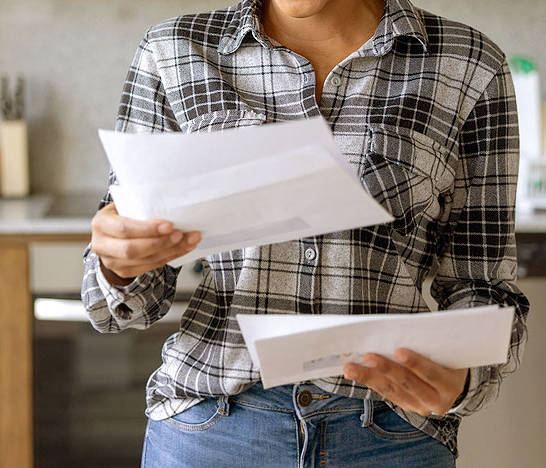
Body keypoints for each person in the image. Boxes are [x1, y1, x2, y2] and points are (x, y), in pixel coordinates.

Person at [81, 0, 530, 466]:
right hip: (211, 430)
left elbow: (484, 286)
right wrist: (116, 264)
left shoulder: (470, 62)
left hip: (390, 436)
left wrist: (464, 378)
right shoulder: (173, 50)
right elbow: (123, 309)